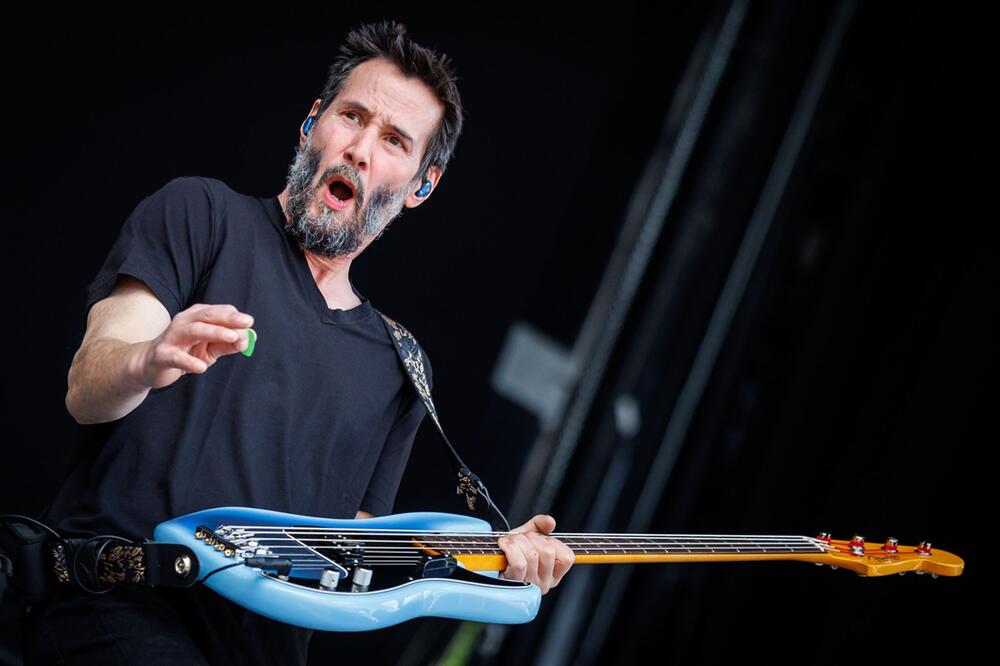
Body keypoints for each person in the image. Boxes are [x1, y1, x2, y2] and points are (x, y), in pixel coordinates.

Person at [21, 20, 574, 665]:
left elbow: (360, 561)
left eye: (394, 141)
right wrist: (148, 358)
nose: (360, 149)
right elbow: (87, 388)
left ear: (422, 185)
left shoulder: (401, 365)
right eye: (352, 117)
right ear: (313, 122)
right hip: (114, 606)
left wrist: (489, 565)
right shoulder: (202, 215)